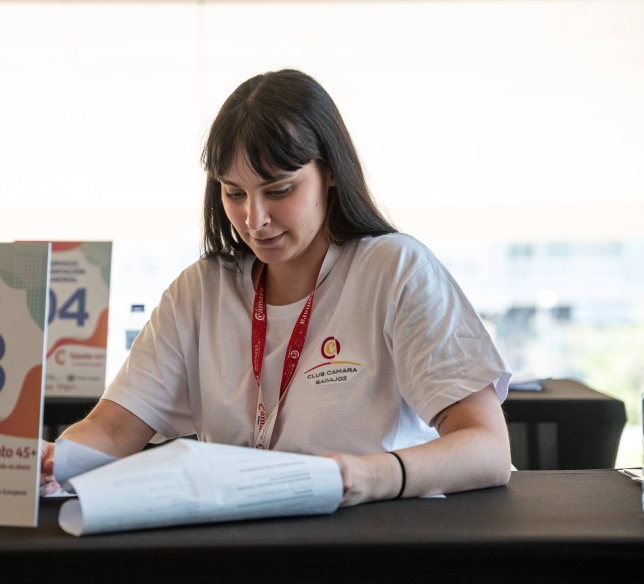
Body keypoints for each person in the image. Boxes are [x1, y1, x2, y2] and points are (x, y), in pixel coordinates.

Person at [41, 69, 512, 506]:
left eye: (279, 190)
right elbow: (112, 429)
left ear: (329, 173)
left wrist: (369, 476)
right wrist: (52, 461)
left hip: (374, 537)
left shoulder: (395, 270)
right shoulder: (201, 291)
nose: (254, 219)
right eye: (234, 192)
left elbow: (488, 449)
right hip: (242, 542)